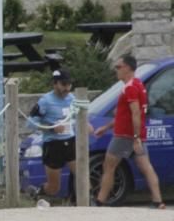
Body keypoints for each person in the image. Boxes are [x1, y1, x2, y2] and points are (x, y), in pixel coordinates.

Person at [93, 54, 165, 208]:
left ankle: (100, 201)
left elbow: (135, 113)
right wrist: (106, 127)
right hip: (134, 135)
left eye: (118, 67)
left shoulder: (130, 87)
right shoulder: (139, 84)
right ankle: (158, 201)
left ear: (127, 68)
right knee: (146, 167)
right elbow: (124, 115)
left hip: (124, 136)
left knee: (109, 166)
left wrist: (135, 137)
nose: (116, 70)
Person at [26, 68, 76, 203]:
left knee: (83, 175)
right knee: (54, 188)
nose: (67, 88)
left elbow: (77, 116)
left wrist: (85, 124)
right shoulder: (45, 101)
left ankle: (82, 201)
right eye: (63, 84)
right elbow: (30, 122)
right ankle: (37, 192)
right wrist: (52, 128)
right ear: (55, 84)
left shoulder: (72, 98)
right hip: (53, 145)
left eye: (69, 84)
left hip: (71, 141)